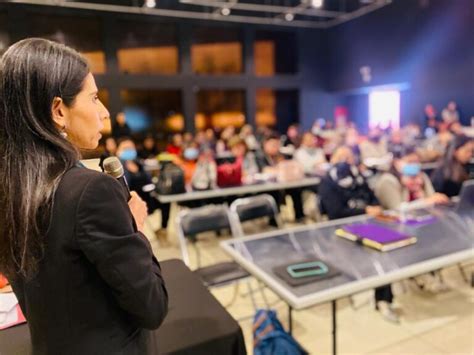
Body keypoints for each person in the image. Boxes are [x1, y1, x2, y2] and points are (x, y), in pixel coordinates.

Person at [0, 38, 168, 354]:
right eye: (93, 97)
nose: (104, 112)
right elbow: (153, 307)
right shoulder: (92, 192)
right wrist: (135, 230)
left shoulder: (12, 188)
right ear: (59, 110)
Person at [318, 147, 398, 323]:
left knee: (390, 241)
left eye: (349, 157)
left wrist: (375, 208)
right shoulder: (328, 182)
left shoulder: (359, 178)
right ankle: (381, 298)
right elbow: (335, 213)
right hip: (342, 228)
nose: (346, 161)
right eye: (341, 157)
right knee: (378, 250)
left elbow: (371, 196)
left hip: (368, 223)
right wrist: (364, 210)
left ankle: (384, 298)